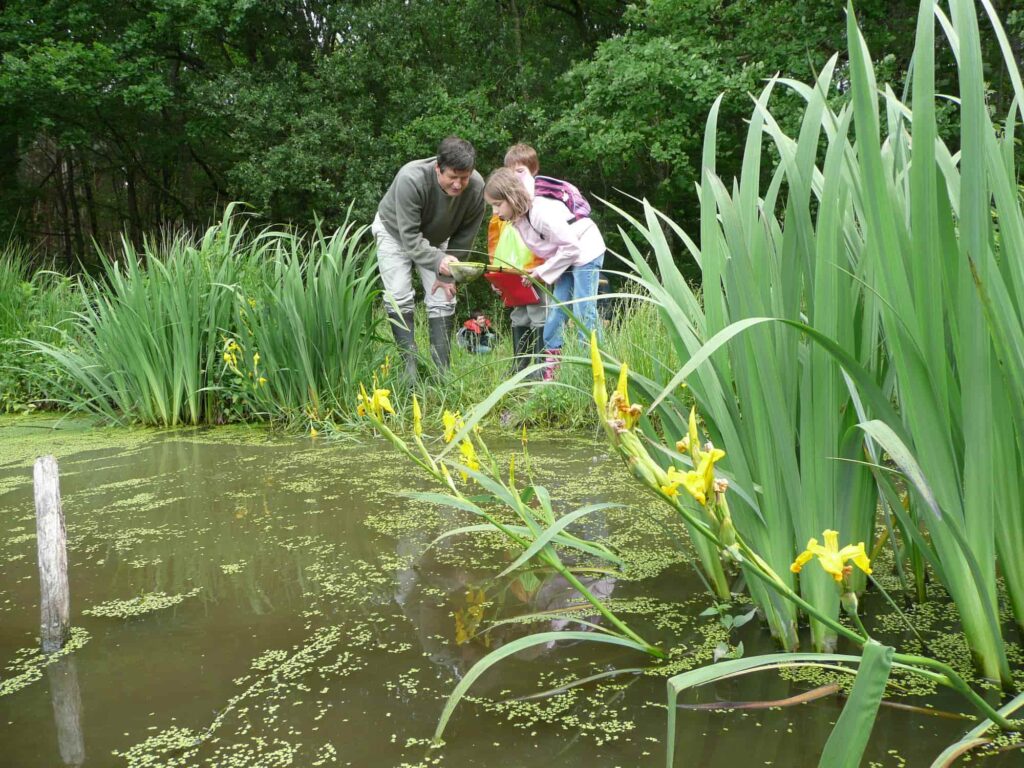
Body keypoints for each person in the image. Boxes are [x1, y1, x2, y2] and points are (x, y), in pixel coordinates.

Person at [372, 136, 486, 383]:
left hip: (437, 237)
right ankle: (409, 369)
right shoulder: (410, 178)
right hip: (395, 232)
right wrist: (437, 262)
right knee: (399, 294)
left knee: (444, 297)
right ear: (438, 168)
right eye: (452, 177)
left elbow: (465, 237)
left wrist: (447, 274)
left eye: (463, 177)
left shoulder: (476, 187)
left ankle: (441, 374)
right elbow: (410, 238)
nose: (458, 184)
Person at [483, 167, 605, 381]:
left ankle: (596, 370)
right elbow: (544, 247)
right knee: (555, 314)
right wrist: (534, 271)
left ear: (511, 197)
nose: (495, 212)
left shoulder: (540, 212)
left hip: (585, 251)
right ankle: (551, 371)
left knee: (583, 311)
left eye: (497, 204)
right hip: (563, 258)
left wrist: (541, 272)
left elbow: (572, 247)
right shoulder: (519, 218)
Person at [495, 144, 547, 374]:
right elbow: (495, 241)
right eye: (510, 172)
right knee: (519, 315)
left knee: (539, 313)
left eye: (520, 171)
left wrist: (545, 269)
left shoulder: (540, 201)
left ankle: (540, 366)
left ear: (533, 170)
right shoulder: (501, 207)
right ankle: (520, 365)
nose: (515, 177)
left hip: (536, 270)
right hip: (510, 273)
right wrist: (497, 275)